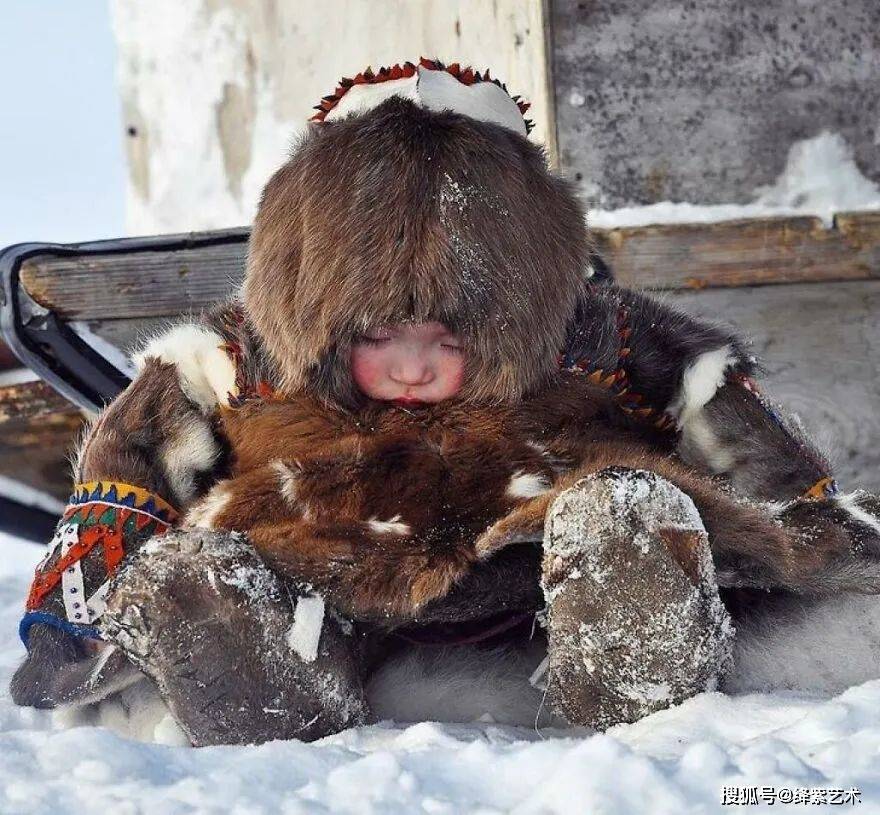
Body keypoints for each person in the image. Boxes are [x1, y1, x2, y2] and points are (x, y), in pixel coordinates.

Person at [11, 59, 880, 746]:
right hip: (334, 577)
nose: (416, 368)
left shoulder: (595, 336)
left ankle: (642, 684)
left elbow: (720, 412)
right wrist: (69, 614)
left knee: (629, 508)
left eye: (452, 340)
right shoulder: (240, 357)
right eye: (383, 336)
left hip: (539, 562)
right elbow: (130, 463)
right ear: (319, 308)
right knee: (203, 575)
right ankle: (260, 683)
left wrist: (808, 520)